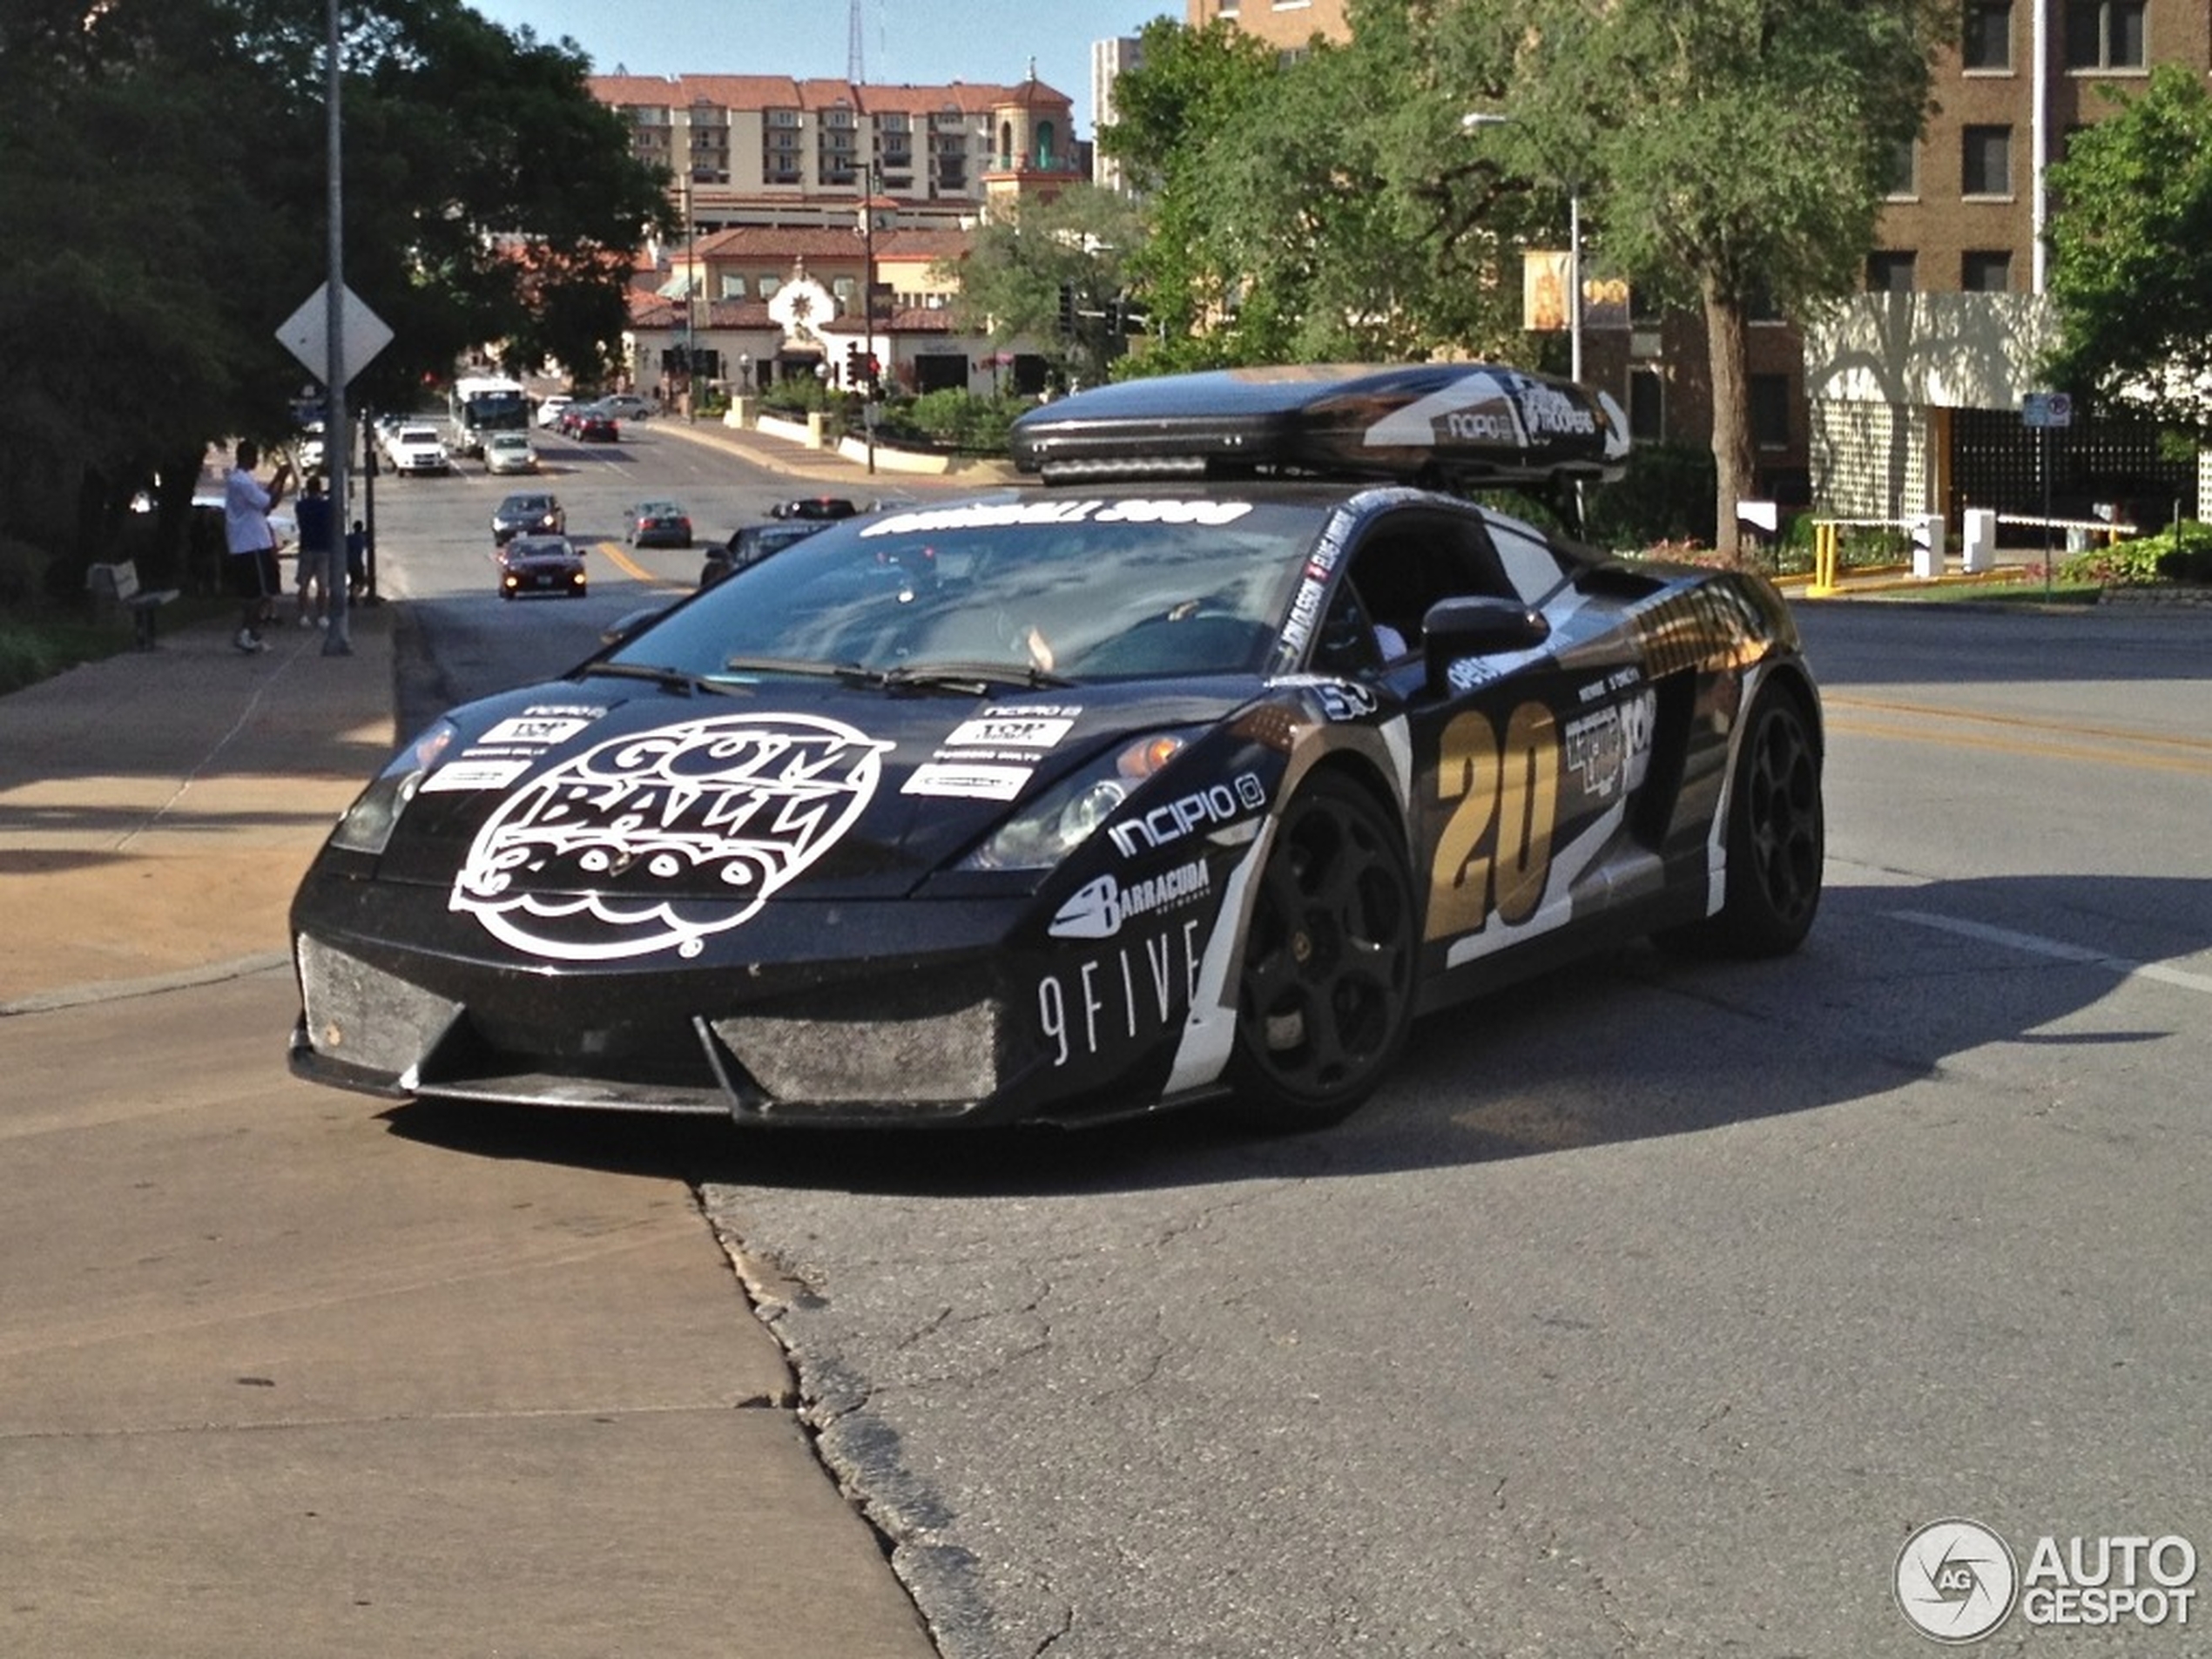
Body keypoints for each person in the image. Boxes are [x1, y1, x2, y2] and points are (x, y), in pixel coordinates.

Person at [223, 439, 292, 653]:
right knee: (258, 593)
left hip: (256, 542)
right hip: (249, 543)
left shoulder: (245, 481)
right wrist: (280, 478)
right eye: (254, 458)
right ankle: (246, 631)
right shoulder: (240, 482)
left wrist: (276, 482)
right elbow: (270, 502)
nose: (256, 461)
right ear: (247, 457)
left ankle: (252, 633)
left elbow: (263, 502)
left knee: (266, 590)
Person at [293, 472, 335, 628]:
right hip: (324, 547)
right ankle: (322, 616)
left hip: (307, 546)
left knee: (303, 585)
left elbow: (299, 519)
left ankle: (303, 615)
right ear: (320, 489)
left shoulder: (301, 506)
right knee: (322, 585)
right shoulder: (327, 506)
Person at [346, 517, 370, 600]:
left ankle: (352, 595)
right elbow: (367, 544)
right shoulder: (362, 538)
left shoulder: (349, 538)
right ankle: (354, 595)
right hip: (357, 563)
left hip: (348, 562)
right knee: (361, 580)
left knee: (354, 579)